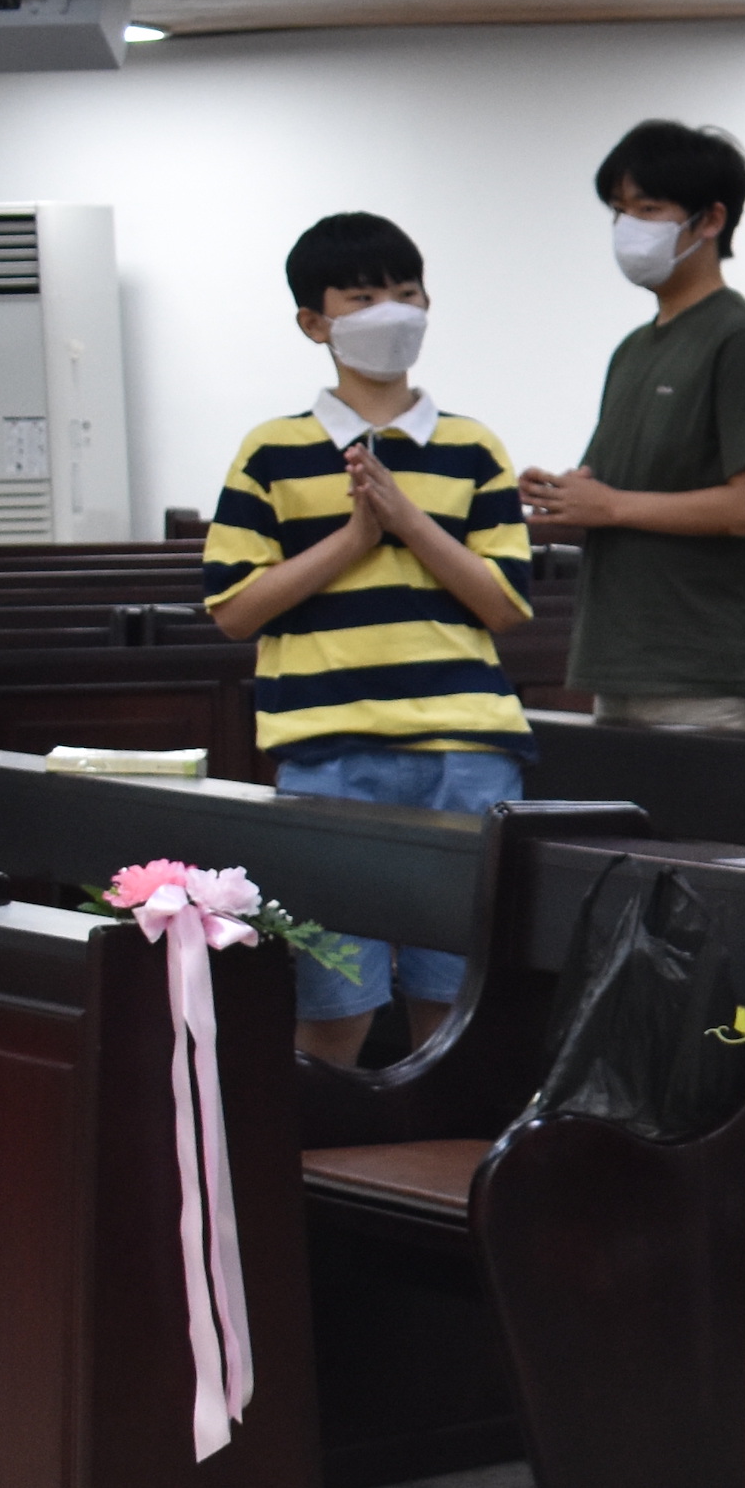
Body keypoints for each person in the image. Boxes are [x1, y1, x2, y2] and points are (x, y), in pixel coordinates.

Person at [199, 213, 538, 1061]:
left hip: (467, 747)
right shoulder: (271, 450)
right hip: (329, 748)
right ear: (315, 322)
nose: (391, 311)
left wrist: (407, 520)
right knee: (334, 1000)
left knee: (455, 1002)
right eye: (362, 297)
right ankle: (318, 1142)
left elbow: (505, 605)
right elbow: (235, 608)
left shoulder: (472, 446)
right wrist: (354, 539)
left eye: (406, 292)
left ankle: (448, 1144)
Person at [521, 119, 745, 732]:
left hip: (706, 669)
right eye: (619, 211)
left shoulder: (743, 338)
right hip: (621, 663)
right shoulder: (633, 349)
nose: (628, 228)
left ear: (710, 220)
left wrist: (611, 506)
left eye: (648, 210)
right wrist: (566, 498)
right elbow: (620, 493)